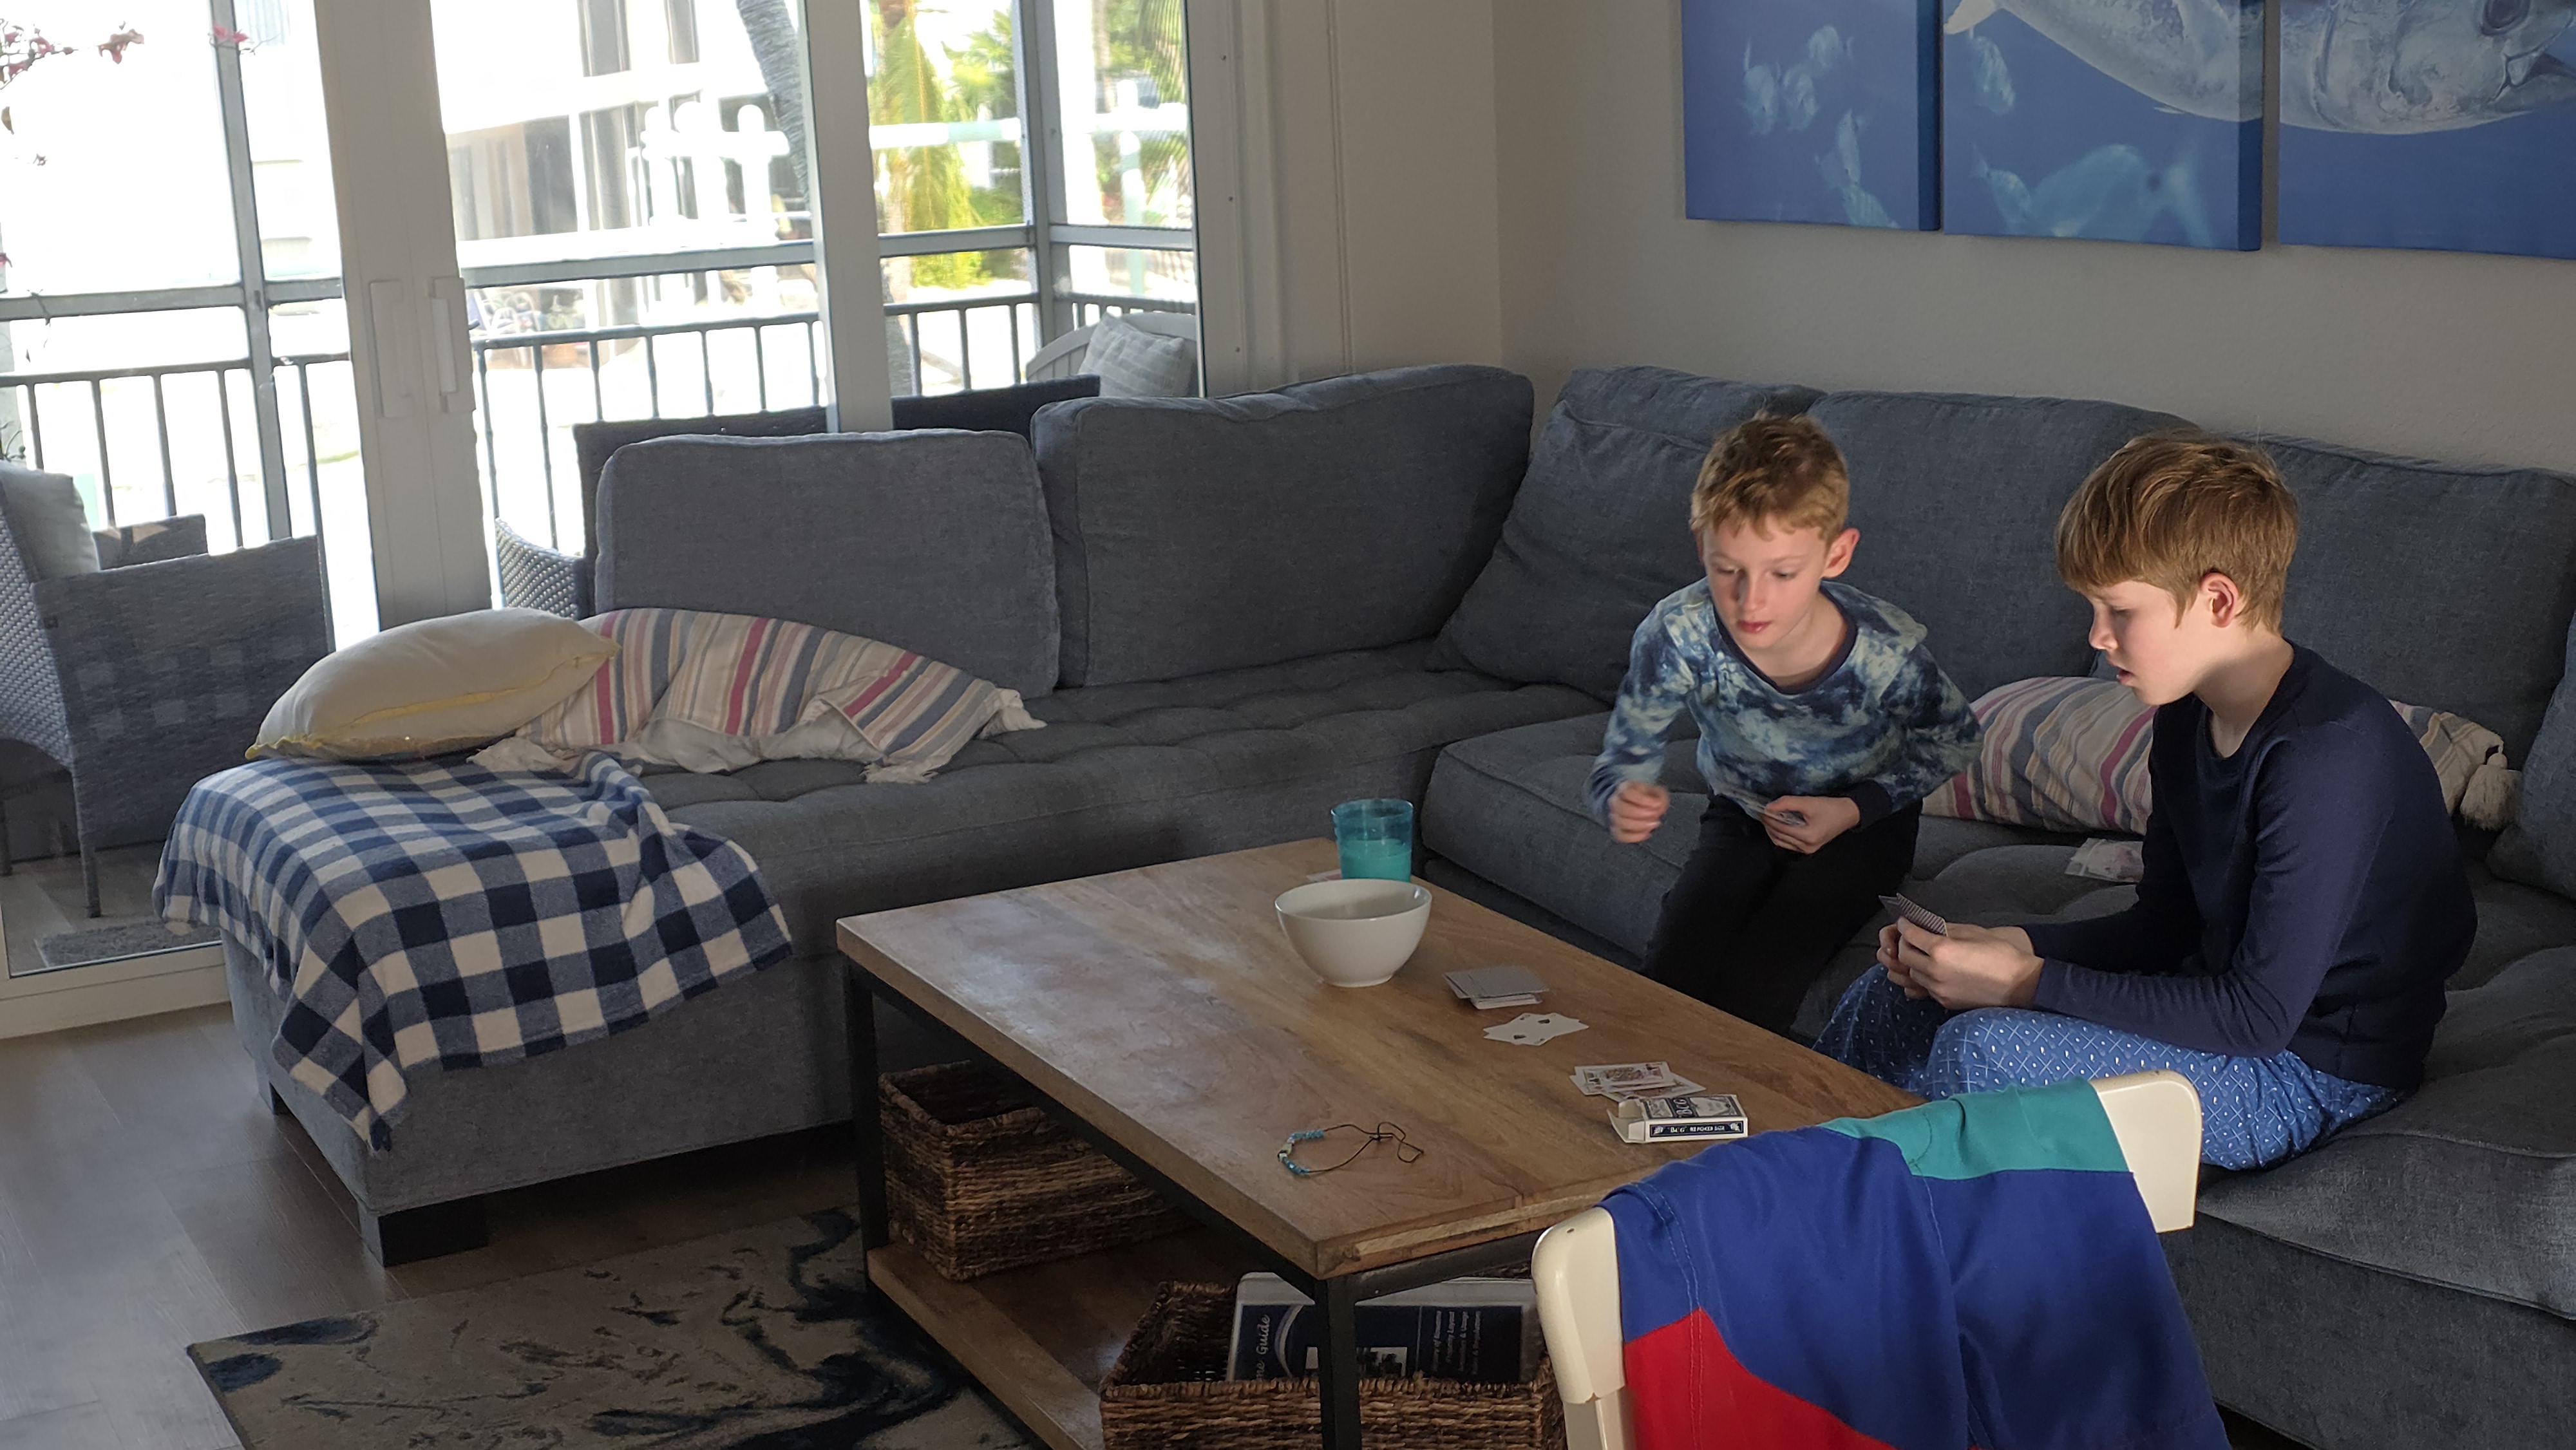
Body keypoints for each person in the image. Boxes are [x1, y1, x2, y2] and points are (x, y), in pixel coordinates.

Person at [1817, 435, 2476, 1170]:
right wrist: (2009, 946)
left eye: (2119, 610)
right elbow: (2164, 928)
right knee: (1895, 993)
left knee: (1988, 1050)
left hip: (2310, 1072)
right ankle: (1792, 1183)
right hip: (2216, 1012)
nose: (2097, 638)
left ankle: (1889, 1222)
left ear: (2218, 600)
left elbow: (2257, 1018)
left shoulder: (2325, 756)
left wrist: (2024, 983)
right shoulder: (2186, 715)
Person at [1591, 414, 1981, 1037]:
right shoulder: (1677, 631)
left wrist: (1853, 810)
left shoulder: (1883, 650)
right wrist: (1620, 792)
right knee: (1672, 971)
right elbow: (1626, 749)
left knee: (1762, 983)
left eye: (1782, 573)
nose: (1752, 602)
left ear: (1836, 554)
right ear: (1701, 544)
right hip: (1743, 813)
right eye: (1729, 569)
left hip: (1862, 827)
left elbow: (1958, 737)